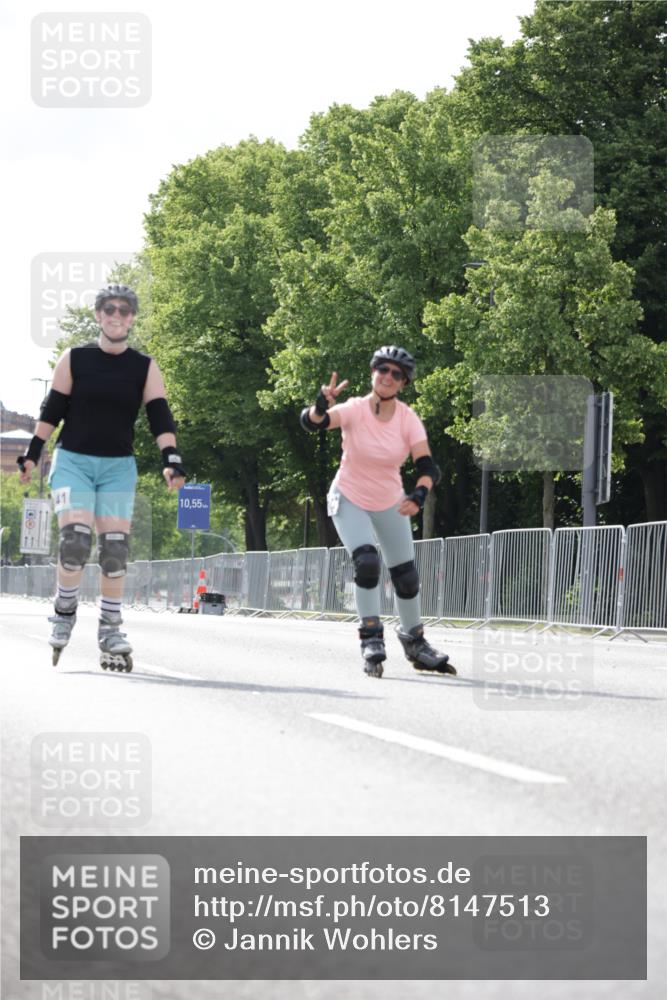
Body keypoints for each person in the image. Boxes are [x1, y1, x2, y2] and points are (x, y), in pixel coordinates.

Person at [17, 283, 186, 670]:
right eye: (109, 309)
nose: (116, 315)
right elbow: (52, 410)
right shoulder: (75, 358)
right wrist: (32, 455)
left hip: (117, 467)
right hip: (73, 462)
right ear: (98, 314)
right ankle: (63, 612)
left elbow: (160, 415)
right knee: (75, 541)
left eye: (124, 310)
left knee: (114, 549)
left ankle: (110, 628)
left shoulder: (144, 366)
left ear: (132, 318)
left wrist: (172, 460)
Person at [300, 345, 456, 678]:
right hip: (349, 497)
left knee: (406, 575)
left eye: (396, 374)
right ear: (373, 372)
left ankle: (415, 641)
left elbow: (428, 467)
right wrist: (320, 405)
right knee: (367, 562)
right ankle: (371, 637)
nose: (388, 377)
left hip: (389, 501)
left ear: (403, 383)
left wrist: (419, 494)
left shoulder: (407, 419)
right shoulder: (355, 409)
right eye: (383, 369)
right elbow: (315, 422)